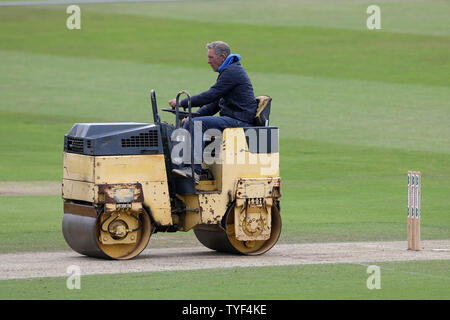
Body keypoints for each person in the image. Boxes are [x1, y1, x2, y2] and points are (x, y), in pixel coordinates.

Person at [168, 41, 257, 183]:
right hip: (234, 117)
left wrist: (182, 103)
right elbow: (215, 104)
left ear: (222, 56)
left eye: (211, 58)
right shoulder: (229, 70)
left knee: (196, 125)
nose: (208, 61)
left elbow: (210, 95)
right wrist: (193, 115)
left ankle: (194, 170)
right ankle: (187, 168)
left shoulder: (232, 72)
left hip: (239, 120)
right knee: (192, 122)